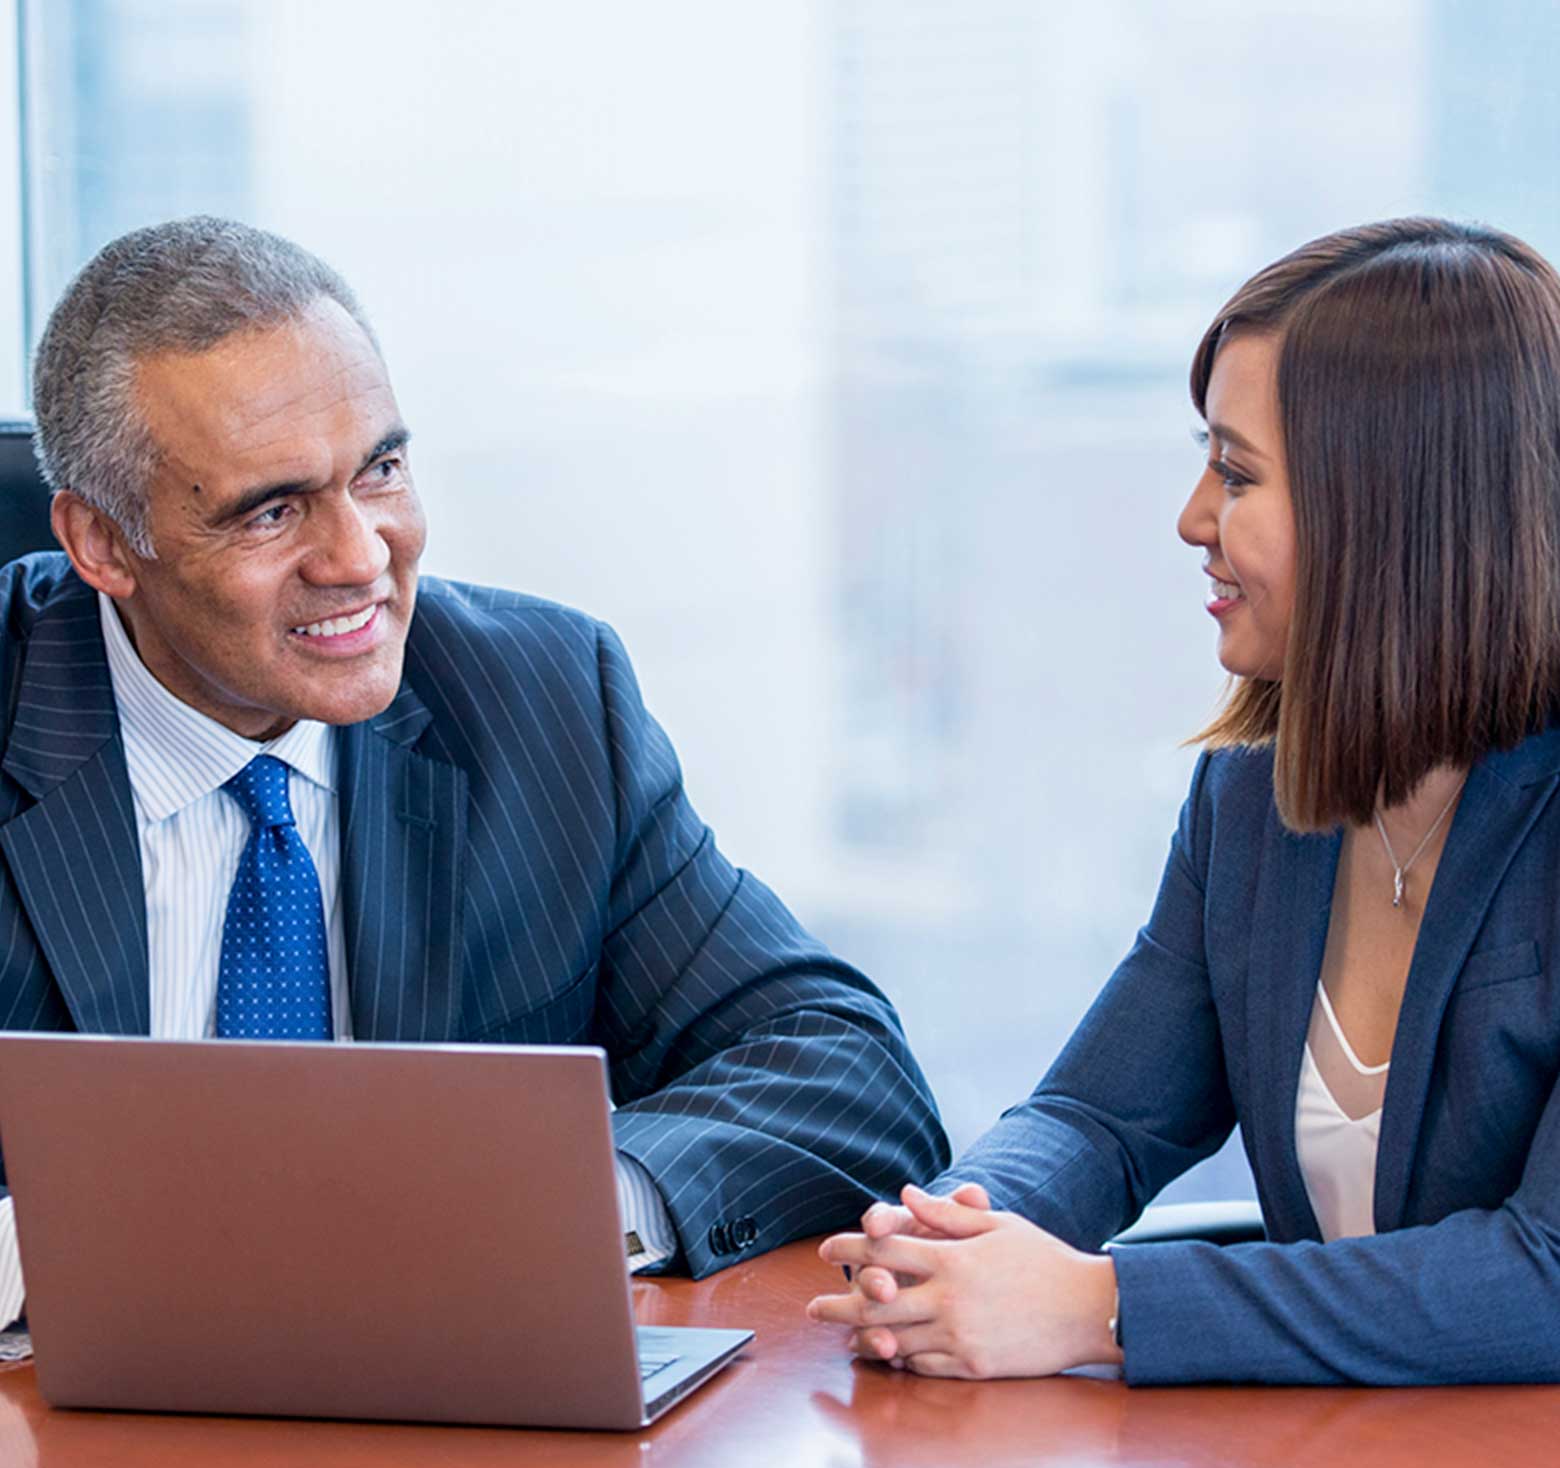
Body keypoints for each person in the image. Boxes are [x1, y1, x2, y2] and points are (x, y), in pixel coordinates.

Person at [0, 215, 948, 1324]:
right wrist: (97, 1250)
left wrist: (539, 1208)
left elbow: (846, 1073)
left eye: (382, 470)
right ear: (102, 542)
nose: (359, 556)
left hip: (457, 1433)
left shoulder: (543, 700)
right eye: (272, 509)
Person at [811, 215, 1560, 1385]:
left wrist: (1101, 1305)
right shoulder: (1251, 805)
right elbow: (1100, 1117)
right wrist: (953, 1229)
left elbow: (1544, 1274)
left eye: (1239, 472)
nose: (1192, 516)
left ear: (1395, 507)